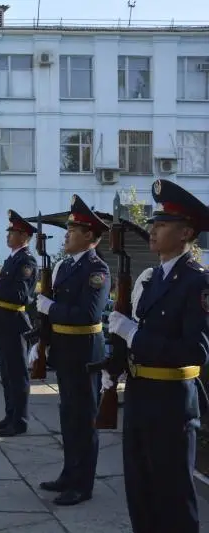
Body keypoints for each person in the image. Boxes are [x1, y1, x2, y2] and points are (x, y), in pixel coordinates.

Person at [105, 179, 209, 532]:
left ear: (186, 233)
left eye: (162, 224)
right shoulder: (153, 279)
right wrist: (116, 365)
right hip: (139, 396)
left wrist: (134, 334)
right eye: (154, 222)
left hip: (171, 404)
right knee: (141, 492)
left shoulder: (198, 283)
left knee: (173, 497)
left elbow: (196, 351)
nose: (152, 230)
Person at [33, 194, 110, 506]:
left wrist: (50, 307)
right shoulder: (64, 266)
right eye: (68, 229)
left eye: (73, 230)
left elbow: (87, 315)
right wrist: (42, 341)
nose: (66, 235)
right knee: (68, 415)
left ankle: (82, 484)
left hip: (84, 352)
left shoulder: (96, 270)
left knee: (84, 419)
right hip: (65, 349)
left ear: (89, 235)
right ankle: (69, 473)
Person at [0, 210, 38, 437]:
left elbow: (19, 295)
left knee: (17, 375)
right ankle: (9, 415)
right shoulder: (12, 259)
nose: (7, 235)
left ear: (23, 236)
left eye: (12, 232)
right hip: (3, 320)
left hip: (14, 323)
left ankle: (20, 421)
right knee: (6, 373)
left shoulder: (26, 261)